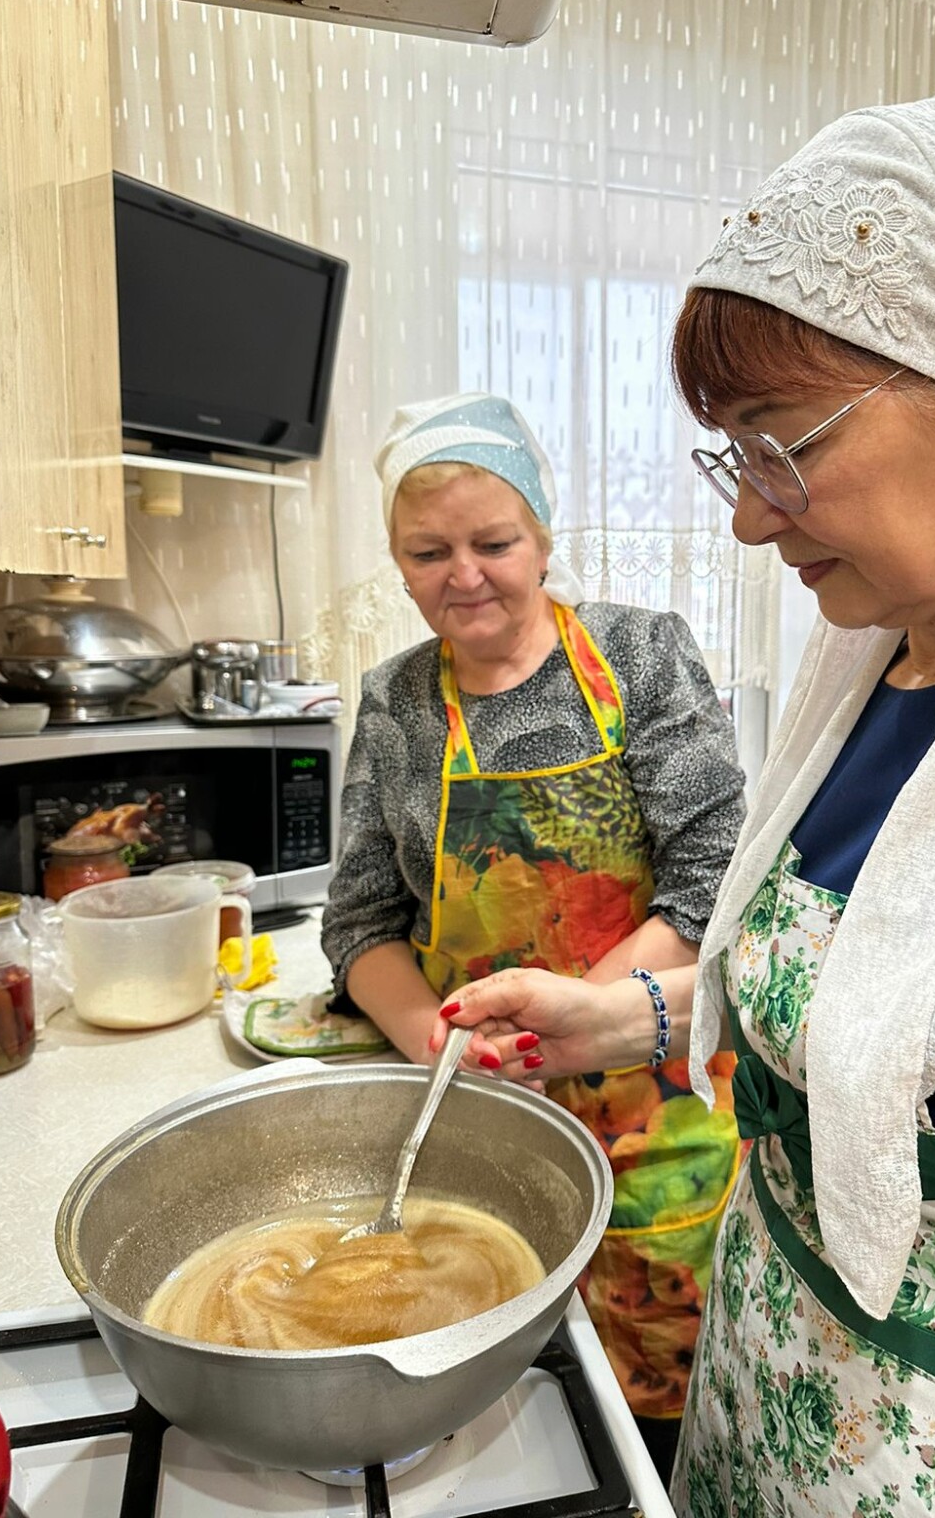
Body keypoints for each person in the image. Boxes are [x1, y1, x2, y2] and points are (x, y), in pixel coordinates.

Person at [431, 100, 935, 1516]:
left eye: (779, 441)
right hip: (761, 1384)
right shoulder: (872, 671)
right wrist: (631, 1017)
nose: (748, 519)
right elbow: (892, 991)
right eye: (729, 452)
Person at [320, 391, 747, 1476]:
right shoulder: (396, 702)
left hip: (655, 1111)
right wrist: (440, 1040)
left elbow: (711, 880)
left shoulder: (642, 657)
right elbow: (361, 919)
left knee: (656, 1413)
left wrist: (575, 1023)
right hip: (468, 1110)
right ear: (398, 562)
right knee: (491, 1404)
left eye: (493, 542)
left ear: (545, 536)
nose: (464, 574)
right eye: (428, 552)